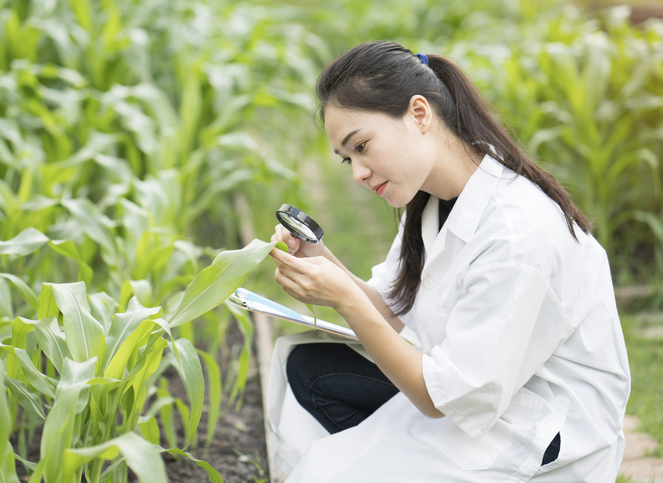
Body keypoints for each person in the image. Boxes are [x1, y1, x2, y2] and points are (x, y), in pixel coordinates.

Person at [267, 40, 630, 482]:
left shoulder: (518, 233)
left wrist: (345, 300)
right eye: (348, 159)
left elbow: (442, 399)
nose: (358, 172)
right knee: (306, 369)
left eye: (361, 146)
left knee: (325, 474)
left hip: (541, 438)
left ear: (419, 113)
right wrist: (320, 259)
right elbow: (394, 309)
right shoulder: (435, 201)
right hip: (484, 407)